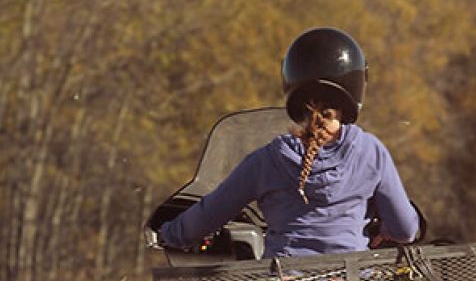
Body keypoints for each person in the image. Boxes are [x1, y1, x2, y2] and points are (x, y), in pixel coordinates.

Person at [157, 27, 420, 258]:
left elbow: (208, 215)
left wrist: (168, 233)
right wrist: (386, 230)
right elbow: (406, 229)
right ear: (354, 88)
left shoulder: (268, 160)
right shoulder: (371, 152)